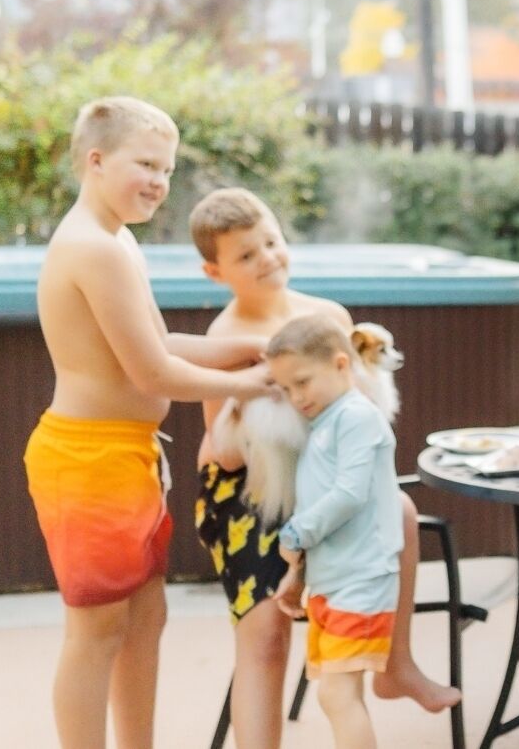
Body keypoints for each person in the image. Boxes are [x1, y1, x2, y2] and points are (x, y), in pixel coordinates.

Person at [26, 96, 271, 749]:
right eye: (146, 165)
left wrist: (257, 350)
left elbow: (160, 342)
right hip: (88, 461)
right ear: (96, 160)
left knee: (144, 619)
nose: (159, 183)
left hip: (128, 455)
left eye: (165, 169)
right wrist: (251, 382)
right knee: (96, 630)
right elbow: (152, 375)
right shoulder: (92, 248)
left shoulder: (117, 240)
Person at [189, 188, 458, 749]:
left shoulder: (326, 319)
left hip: (323, 478)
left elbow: (361, 412)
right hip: (251, 492)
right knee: (265, 638)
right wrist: (260, 397)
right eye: (246, 256)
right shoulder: (226, 338)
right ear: (216, 272)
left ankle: (395, 663)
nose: (267, 259)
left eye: (271, 242)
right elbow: (224, 451)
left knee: (401, 510)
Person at [266, 315, 405, 749]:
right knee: (336, 691)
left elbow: (349, 494)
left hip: (362, 577)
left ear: (342, 364)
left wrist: (294, 534)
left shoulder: (357, 417)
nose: (295, 397)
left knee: (335, 693)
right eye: (287, 389)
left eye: (303, 382)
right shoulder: (325, 423)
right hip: (333, 579)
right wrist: (299, 577)